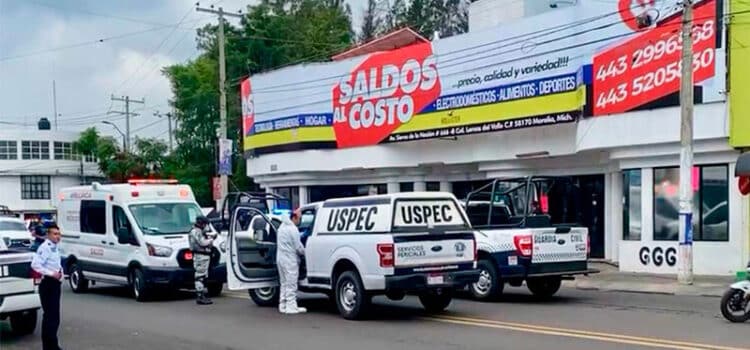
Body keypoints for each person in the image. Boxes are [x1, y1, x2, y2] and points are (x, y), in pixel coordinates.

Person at [31, 224, 63, 350]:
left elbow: (56, 264)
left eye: (59, 234)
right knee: (50, 316)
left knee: (54, 317)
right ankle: (49, 347)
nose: (57, 236)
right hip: (48, 284)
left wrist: (60, 274)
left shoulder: (55, 247)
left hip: (55, 283)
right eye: (55, 234)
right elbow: (35, 265)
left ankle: (52, 345)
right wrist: (51, 274)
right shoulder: (45, 247)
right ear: (48, 235)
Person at [277, 209, 306, 314]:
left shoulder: (281, 227)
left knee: (284, 283)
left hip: (280, 259)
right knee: (291, 284)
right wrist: (304, 253)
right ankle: (291, 307)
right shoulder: (293, 229)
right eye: (299, 218)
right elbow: (298, 246)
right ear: (294, 218)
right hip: (290, 260)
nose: (300, 221)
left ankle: (283, 305)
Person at [189, 216, 216, 305]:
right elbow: (202, 242)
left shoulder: (199, 231)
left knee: (204, 277)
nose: (206, 226)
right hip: (200, 256)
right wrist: (211, 240)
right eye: (205, 224)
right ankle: (200, 296)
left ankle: (204, 294)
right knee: (200, 276)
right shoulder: (195, 231)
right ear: (202, 223)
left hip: (204, 256)